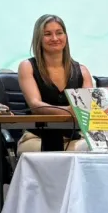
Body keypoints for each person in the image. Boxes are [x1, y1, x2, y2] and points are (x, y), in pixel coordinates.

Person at [16, 14, 93, 153]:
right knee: (59, 152)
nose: (55, 38)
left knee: (95, 149)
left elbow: (87, 109)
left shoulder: (82, 71)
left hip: (73, 138)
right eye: (47, 34)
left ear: (66, 36)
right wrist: (69, 110)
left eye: (59, 33)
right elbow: (35, 105)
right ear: (39, 38)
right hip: (37, 138)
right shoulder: (27, 66)